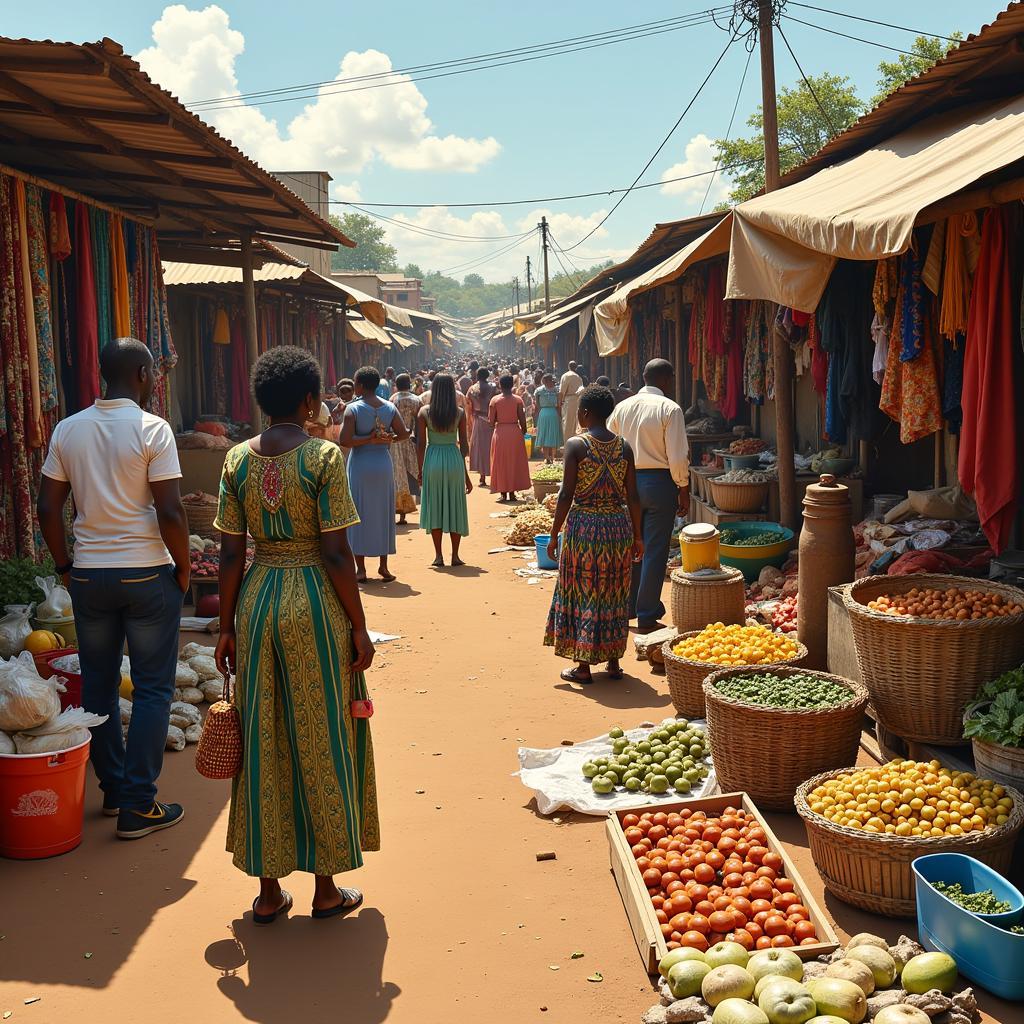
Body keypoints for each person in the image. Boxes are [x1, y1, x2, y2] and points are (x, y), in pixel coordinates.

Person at [213, 345, 377, 924]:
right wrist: (359, 626)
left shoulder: (236, 461)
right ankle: (326, 888)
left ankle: (267, 891)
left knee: (262, 736)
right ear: (310, 401)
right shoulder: (324, 458)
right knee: (321, 730)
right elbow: (336, 551)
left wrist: (226, 625)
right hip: (313, 604)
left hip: (256, 601)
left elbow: (231, 553)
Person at [36, 337, 190, 839]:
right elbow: (170, 510)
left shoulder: (68, 429)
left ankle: (112, 788)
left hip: (89, 575)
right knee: (151, 689)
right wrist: (184, 569)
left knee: (98, 683)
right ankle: (138, 805)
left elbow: (47, 506)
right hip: (146, 574)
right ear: (144, 374)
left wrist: (64, 564)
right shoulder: (153, 429)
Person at [544, 384, 643, 683]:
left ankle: (583, 666)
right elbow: (634, 497)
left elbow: (565, 495)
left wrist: (553, 534)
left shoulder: (577, 446)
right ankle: (613, 663)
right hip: (617, 527)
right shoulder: (623, 447)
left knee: (583, 589)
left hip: (584, 528)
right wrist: (638, 536)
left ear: (585, 413)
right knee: (613, 590)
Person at [608, 359, 689, 634]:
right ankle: (646, 613)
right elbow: (678, 455)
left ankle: (628, 607)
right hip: (658, 483)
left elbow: (609, 444)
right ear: (666, 379)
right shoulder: (670, 408)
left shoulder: (622, 407)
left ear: (643, 377)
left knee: (632, 545)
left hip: (626, 483)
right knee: (654, 549)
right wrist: (684, 489)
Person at [341, 366, 409, 582]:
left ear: (359, 386)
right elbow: (403, 433)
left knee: (358, 512)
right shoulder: (389, 408)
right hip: (382, 463)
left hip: (360, 464)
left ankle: (360, 569)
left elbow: (345, 441)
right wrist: (385, 438)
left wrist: (368, 439)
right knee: (383, 511)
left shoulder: (352, 409)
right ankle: (383, 566)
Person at [417, 373, 471, 567]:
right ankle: (455, 556)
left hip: (432, 460)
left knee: (435, 507)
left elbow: (421, 444)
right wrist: (465, 473)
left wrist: (420, 470)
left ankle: (438, 556)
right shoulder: (459, 413)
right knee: (455, 506)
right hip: (453, 459)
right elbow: (464, 445)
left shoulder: (424, 412)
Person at [488, 374, 531, 502]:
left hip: (500, 432)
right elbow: (522, 419)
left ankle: (503, 493)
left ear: (500, 385)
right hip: (514, 432)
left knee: (500, 462)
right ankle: (512, 493)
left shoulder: (494, 401)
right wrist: (523, 431)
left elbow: (491, 421)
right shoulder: (518, 400)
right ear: (512, 385)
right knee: (514, 462)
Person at [391, 373, 421, 524]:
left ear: (396, 384)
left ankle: (400, 511)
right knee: (412, 473)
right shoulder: (417, 400)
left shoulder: (392, 400)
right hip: (411, 440)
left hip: (395, 442)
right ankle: (405, 511)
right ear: (409, 384)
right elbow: (420, 424)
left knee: (398, 474)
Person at [467, 367, 497, 487]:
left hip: (477, 420)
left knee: (480, 448)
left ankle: (482, 477)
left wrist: (469, 420)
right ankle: (494, 474)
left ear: (477, 376)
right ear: (487, 375)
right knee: (492, 447)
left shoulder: (472, 389)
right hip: (491, 420)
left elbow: (469, 405)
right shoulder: (493, 387)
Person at [533, 372, 562, 462]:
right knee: (553, 434)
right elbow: (559, 405)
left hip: (543, 413)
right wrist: (560, 415)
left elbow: (537, 405)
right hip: (553, 413)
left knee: (544, 434)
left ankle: (546, 457)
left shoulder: (538, 390)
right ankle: (552, 456)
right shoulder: (557, 390)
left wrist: (536, 415)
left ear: (544, 380)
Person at [558, 361, 584, 444]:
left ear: (568, 367)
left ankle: (567, 444)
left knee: (567, 424)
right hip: (577, 400)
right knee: (576, 424)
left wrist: (559, 402)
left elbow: (561, 391)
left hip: (568, 401)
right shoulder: (578, 377)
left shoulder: (566, 376)